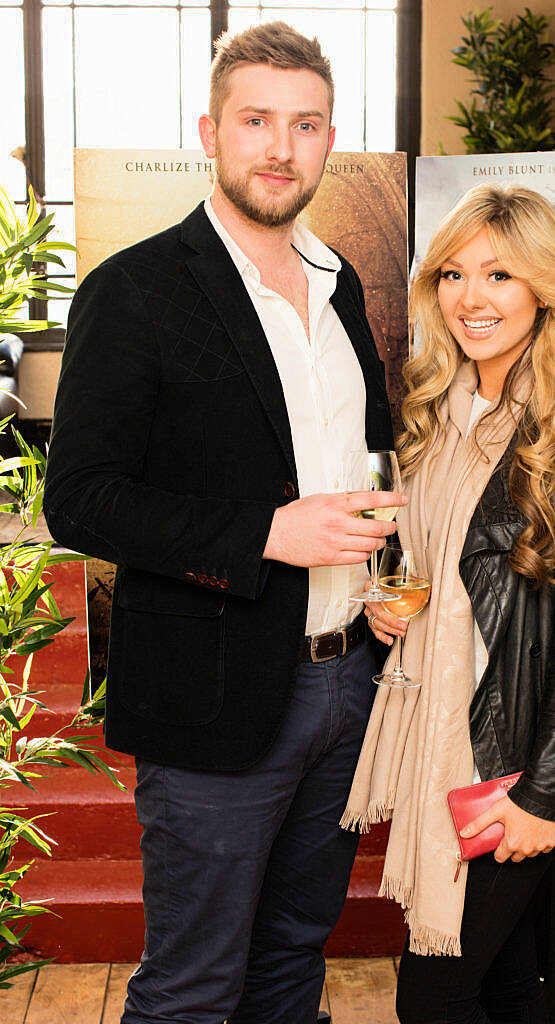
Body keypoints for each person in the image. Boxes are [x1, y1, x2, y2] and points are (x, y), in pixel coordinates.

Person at [44, 21, 402, 1024]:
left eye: (304, 124)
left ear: (331, 139)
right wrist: (263, 533)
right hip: (214, 692)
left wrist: (388, 578)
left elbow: (364, 465)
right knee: (195, 985)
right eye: (256, 121)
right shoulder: (135, 290)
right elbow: (77, 499)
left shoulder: (340, 288)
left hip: (346, 686)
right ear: (211, 130)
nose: (279, 147)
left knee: (293, 951)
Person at [342, 183, 555, 1024]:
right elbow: (426, 561)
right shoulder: (435, 411)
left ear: (545, 288)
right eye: (453, 274)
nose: (472, 298)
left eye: (501, 275)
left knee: (434, 1000)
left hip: (509, 751)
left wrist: (545, 790)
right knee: (511, 988)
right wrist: (386, 610)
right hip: (436, 723)